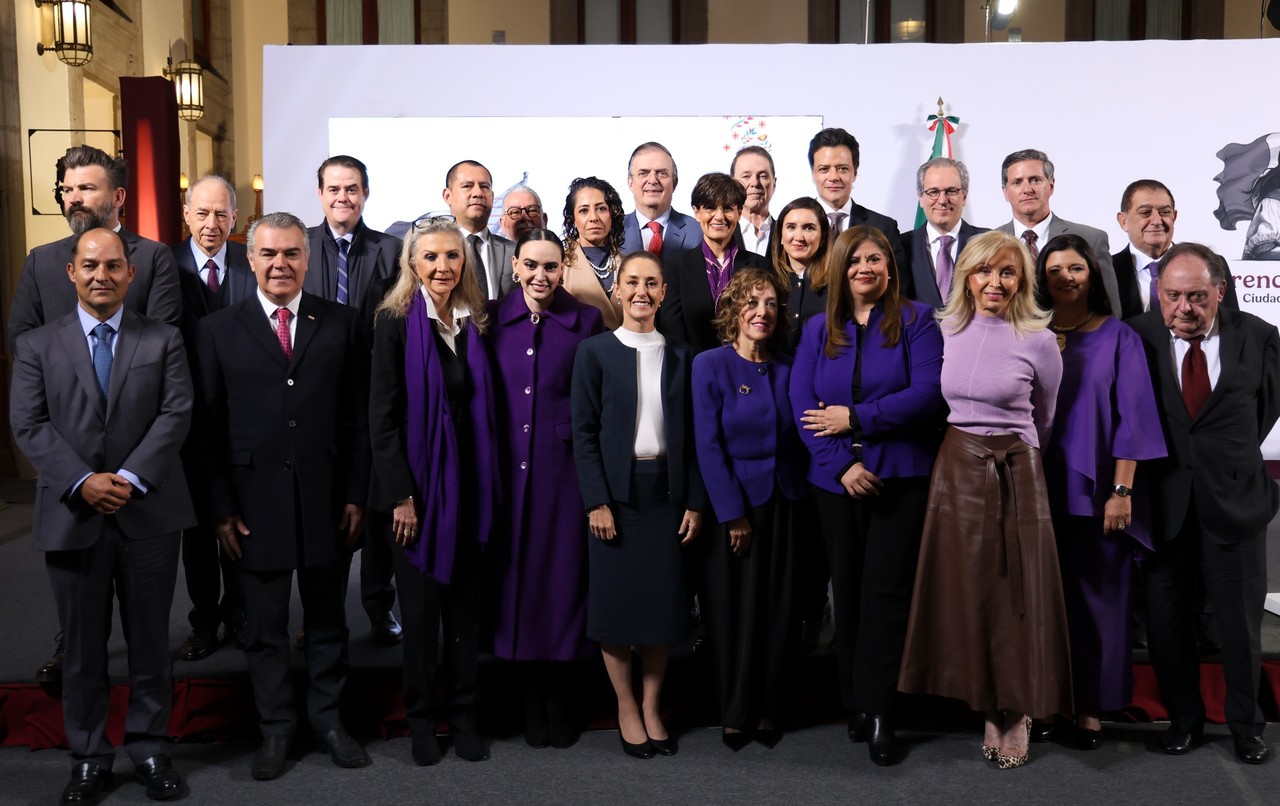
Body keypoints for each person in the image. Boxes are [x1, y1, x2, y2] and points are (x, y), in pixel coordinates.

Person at [10, 227, 194, 804]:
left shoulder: (162, 338)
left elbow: (176, 412)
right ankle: (89, 755)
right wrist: (84, 480)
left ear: (130, 274)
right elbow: (29, 425)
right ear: (71, 272)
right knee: (84, 650)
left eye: (113, 266)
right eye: (90, 266)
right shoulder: (38, 345)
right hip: (72, 515)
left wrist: (130, 478)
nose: (101, 276)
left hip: (149, 512)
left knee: (149, 644)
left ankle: (150, 747)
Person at [197, 212, 372, 780]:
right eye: (269, 254)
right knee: (266, 628)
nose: (280, 264)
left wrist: (354, 494)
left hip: (327, 500)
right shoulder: (218, 330)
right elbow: (206, 426)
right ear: (249, 260)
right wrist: (220, 507)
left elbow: (359, 421)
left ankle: (327, 721)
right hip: (251, 505)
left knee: (327, 621)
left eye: (292, 254)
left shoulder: (343, 323)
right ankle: (275, 730)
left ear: (306, 257)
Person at [9, 143, 181, 685]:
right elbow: (23, 344)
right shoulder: (42, 261)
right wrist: (78, 472)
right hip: (69, 464)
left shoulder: (153, 259)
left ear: (117, 196)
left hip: (142, 465)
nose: (75, 196)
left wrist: (128, 471)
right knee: (80, 628)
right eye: (68, 188)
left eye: (87, 187)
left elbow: (161, 351)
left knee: (149, 632)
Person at [898, 230, 1070, 770]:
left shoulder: (1040, 338)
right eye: (983, 271)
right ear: (965, 276)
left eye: (1007, 272)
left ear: (1021, 280)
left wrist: (1014, 453)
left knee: (1015, 594)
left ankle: (1015, 710)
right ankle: (983, 704)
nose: (994, 282)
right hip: (956, 466)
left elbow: (1046, 414)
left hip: (1016, 468)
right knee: (968, 592)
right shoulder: (943, 328)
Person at [790, 225, 945, 766]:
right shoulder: (817, 329)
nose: (865, 268)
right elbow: (803, 408)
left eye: (875, 258)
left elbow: (927, 395)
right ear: (839, 268)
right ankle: (854, 701)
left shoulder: (918, 321)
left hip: (900, 477)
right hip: (837, 483)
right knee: (848, 592)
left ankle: (881, 710)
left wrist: (857, 419)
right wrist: (843, 466)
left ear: (890, 267)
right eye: (855, 259)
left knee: (886, 593)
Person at [1129, 243, 1280, 765]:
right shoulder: (1137, 336)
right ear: (1158, 293)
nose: (1184, 308)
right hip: (1163, 504)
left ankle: (1246, 726)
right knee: (1168, 624)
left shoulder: (1258, 336)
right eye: (1172, 296)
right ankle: (1185, 721)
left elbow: (1265, 409)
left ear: (1219, 290)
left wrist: (1225, 461)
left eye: (1197, 296)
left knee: (1239, 626)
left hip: (1234, 504)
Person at [368, 215, 500, 766]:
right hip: (417, 496)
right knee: (420, 617)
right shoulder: (394, 322)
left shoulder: (477, 322)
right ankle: (422, 718)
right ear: (412, 265)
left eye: (452, 256)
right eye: (431, 258)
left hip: (470, 487)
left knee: (466, 614)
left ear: (463, 262)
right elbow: (383, 416)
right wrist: (401, 495)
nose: (442, 266)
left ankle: (465, 714)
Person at [1034, 233, 1167, 749]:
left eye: (1076, 268)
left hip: (1097, 494)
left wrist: (1122, 491)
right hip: (1037, 489)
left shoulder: (1119, 338)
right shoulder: (1028, 333)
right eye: (1054, 269)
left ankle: (1090, 708)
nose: (1066, 277)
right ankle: (1046, 701)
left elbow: (1134, 421)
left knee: (1099, 603)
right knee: (1045, 603)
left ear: (1093, 275)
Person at [571, 250, 704, 759]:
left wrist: (694, 501)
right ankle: (625, 706)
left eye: (651, 282)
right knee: (615, 609)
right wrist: (597, 501)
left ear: (663, 291)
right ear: (619, 290)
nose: (641, 291)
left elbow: (693, 438)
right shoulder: (596, 352)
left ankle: (652, 706)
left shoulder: (684, 356)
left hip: (666, 497)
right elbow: (583, 434)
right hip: (617, 499)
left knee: (661, 611)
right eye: (632, 282)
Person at [485, 229, 605, 748]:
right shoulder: (488, 318)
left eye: (551, 267)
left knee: (562, 584)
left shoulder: (586, 320)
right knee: (515, 584)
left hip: (563, 474)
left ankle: (561, 696)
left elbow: (593, 405)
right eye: (531, 265)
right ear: (515, 266)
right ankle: (528, 698)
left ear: (563, 269)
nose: (540, 276)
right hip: (505, 472)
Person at [692, 269, 807, 751]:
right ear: (734, 310)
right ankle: (734, 710)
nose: (762, 313)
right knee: (732, 612)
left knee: (779, 610)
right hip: (735, 509)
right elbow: (707, 444)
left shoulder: (788, 367)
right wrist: (731, 513)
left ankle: (767, 709)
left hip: (786, 502)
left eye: (771, 305)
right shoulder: (709, 365)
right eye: (752, 303)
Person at [304, 155, 403, 647]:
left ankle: (379, 608)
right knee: (326, 510)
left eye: (353, 189)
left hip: (376, 391)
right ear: (320, 193)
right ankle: (321, 616)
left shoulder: (392, 249)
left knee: (379, 511)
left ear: (366, 193)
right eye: (334, 189)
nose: (343, 197)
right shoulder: (298, 245)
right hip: (318, 396)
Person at [173, 175, 255, 663]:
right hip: (188, 418)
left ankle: (240, 612)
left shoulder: (252, 262)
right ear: (186, 214)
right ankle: (204, 620)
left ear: (235, 216)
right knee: (199, 529)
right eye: (202, 213)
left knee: (243, 523)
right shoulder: (163, 265)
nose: (212, 223)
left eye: (222, 214)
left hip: (244, 416)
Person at [996, 148, 1121, 315]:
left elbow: (1110, 311)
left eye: (1035, 180)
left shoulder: (1091, 239)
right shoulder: (986, 244)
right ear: (1005, 192)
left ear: (1051, 186)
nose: (1027, 189)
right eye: (1017, 182)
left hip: (1076, 339)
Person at [657, 172, 769, 354]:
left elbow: (765, 325)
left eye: (727, 208)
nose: (719, 217)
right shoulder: (676, 266)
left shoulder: (759, 266)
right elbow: (673, 332)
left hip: (746, 368)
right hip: (694, 371)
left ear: (739, 212)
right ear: (696, 212)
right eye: (710, 208)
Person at [1113, 179, 1240, 319]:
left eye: (1164, 212)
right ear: (1123, 221)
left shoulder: (1210, 264)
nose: (1156, 221)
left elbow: (1232, 325)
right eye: (1145, 212)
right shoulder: (1104, 271)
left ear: (1174, 217)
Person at [806, 127, 905, 270]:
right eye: (824, 169)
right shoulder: (793, 226)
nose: (833, 177)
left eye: (842, 169)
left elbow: (898, 287)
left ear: (855, 173)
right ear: (813, 174)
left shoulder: (884, 228)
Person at [900, 157, 989, 308]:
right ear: (921, 198)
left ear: (964, 197)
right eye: (933, 192)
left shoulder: (986, 242)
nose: (942, 200)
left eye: (951, 191)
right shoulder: (901, 245)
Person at [443, 159, 515, 300]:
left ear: (492, 197)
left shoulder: (515, 252)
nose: (478, 193)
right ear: (447, 196)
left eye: (484, 187)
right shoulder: (430, 254)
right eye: (467, 186)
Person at [561, 176, 626, 329]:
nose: (593, 218)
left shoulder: (630, 264)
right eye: (584, 210)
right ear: (573, 219)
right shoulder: (560, 265)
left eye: (601, 209)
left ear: (612, 214)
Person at [620, 142, 704, 258]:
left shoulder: (699, 231)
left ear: (674, 183)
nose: (653, 180)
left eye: (662, 173)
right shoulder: (613, 229)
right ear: (630, 182)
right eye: (643, 173)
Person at [769, 197, 832, 351]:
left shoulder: (838, 283)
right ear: (780, 236)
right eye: (791, 227)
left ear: (823, 237)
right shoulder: (767, 281)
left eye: (808, 228)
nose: (798, 237)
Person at [732, 146, 777, 255]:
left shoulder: (787, 235)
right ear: (732, 184)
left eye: (762, 176)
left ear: (774, 184)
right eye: (746, 176)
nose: (755, 183)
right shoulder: (721, 235)